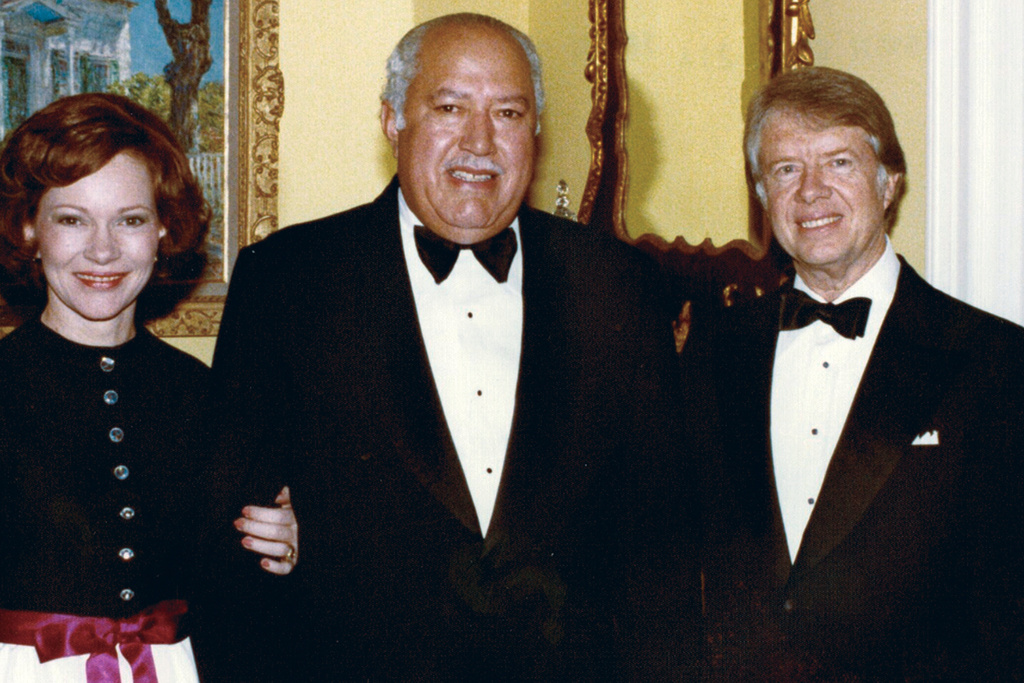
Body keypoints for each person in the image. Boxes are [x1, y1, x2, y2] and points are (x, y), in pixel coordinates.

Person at [208, 12, 699, 681]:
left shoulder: (618, 286)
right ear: (392, 120)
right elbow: (233, 550)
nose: (479, 141)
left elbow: (661, 552)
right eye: (449, 107)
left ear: (535, 131)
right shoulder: (288, 279)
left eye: (507, 112)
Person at [684, 66, 1024, 680]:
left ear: (889, 183)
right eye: (786, 169)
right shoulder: (718, 349)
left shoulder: (994, 361)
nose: (811, 192)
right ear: (763, 198)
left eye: (838, 163)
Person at [0, 92, 297, 682]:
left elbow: (238, 596)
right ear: (30, 228)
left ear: (163, 228)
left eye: (130, 220)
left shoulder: (209, 396)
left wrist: (288, 551)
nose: (103, 250)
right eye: (72, 219)